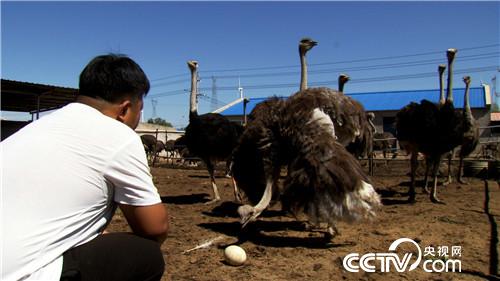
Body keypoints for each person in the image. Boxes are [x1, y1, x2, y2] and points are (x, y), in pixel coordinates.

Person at [1, 54, 169, 281]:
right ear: (125, 110)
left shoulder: (36, 128)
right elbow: (155, 228)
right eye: (140, 110)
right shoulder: (119, 135)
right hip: (20, 275)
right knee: (146, 255)